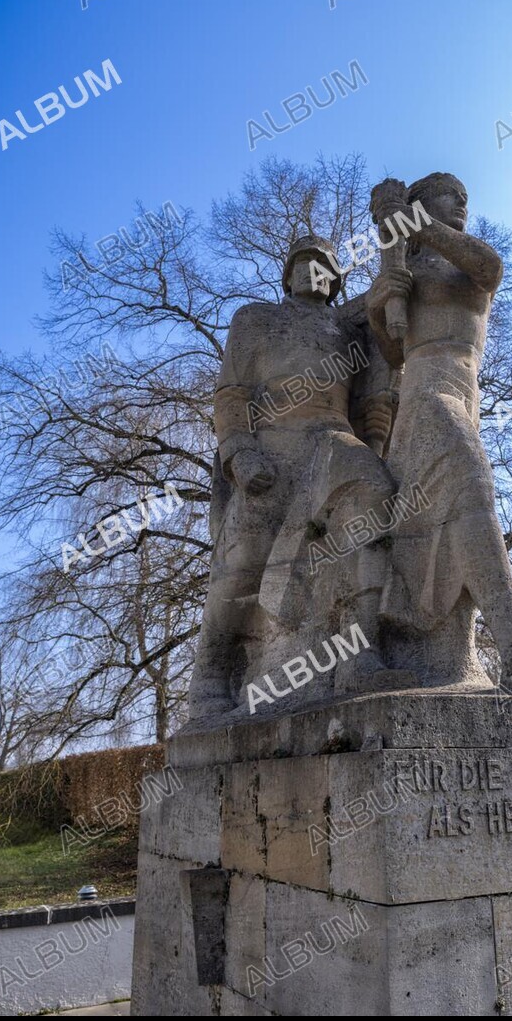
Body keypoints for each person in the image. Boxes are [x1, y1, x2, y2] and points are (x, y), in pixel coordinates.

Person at [366, 173, 512, 703]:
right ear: (423, 202)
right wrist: (382, 306)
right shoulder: (406, 266)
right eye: (450, 194)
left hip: (464, 397)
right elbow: (393, 352)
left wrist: (410, 218)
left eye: (464, 195)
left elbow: (488, 267)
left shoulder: (468, 259)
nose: (463, 202)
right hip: (425, 398)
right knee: (472, 486)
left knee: (459, 519)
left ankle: (488, 655)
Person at [188, 235, 400, 717]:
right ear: (286, 276)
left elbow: (374, 402)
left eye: (324, 264)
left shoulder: (350, 331)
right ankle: (210, 676)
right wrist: (240, 453)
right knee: (246, 560)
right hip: (274, 446)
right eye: (303, 263)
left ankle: (358, 650)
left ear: (335, 280)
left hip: (333, 442)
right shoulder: (255, 320)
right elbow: (231, 396)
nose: (312, 271)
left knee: (375, 495)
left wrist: (378, 445)